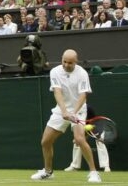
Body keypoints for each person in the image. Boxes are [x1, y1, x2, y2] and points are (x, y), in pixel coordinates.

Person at [31, 49, 102, 184]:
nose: (66, 65)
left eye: (70, 63)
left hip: (79, 109)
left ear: (75, 62)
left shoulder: (82, 73)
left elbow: (83, 95)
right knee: (45, 141)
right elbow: (57, 92)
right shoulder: (55, 72)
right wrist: (64, 112)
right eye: (64, 61)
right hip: (61, 110)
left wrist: (74, 113)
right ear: (61, 59)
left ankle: (94, 172)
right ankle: (47, 172)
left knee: (79, 139)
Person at [65, 106, 111, 173]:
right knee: (77, 142)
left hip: (94, 126)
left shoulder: (88, 109)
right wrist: (80, 138)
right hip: (82, 128)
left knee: (100, 142)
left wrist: (96, 135)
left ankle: (106, 166)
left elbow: (94, 122)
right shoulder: (71, 111)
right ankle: (74, 166)